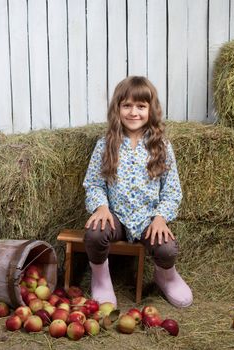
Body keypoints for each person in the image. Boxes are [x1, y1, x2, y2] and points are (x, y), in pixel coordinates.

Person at [82, 76, 192, 308]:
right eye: (127, 106)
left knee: (167, 249)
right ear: (117, 109)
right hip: (117, 217)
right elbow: (94, 183)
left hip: (147, 219)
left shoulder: (161, 146)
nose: (134, 112)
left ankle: (165, 277)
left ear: (151, 110)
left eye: (141, 106)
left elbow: (172, 191)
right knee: (94, 233)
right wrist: (102, 207)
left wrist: (160, 219)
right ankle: (101, 280)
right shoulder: (106, 144)